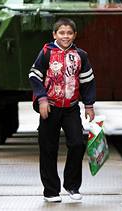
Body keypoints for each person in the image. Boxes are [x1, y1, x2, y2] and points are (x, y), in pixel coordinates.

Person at [29, 18, 96, 203]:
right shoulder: (46, 53)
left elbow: (88, 82)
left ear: (74, 35)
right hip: (49, 107)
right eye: (61, 33)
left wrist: (89, 105)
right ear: (54, 35)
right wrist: (42, 99)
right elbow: (34, 76)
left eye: (69, 33)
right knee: (48, 148)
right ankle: (51, 190)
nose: (65, 36)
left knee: (77, 144)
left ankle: (72, 186)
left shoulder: (81, 55)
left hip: (71, 108)